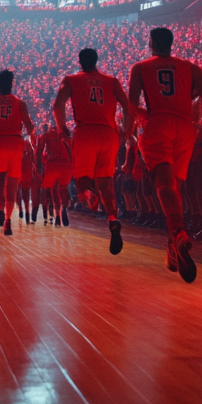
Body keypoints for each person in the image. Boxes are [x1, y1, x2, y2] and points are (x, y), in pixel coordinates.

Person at [126, 26, 202, 283]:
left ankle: (178, 233)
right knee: (174, 190)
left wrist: (138, 119)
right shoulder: (190, 67)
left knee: (163, 185)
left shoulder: (140, 67)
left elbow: (132, 104)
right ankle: (173, 248)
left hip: (159, 124)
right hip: (186, 128)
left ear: (152, 43)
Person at [53, 47, 130, 254]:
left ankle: (89, 197)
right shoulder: (111, 81)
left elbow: (58, 105)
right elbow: (127, 105)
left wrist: (61, 128)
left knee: (81, 181)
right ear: (97, 61)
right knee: (106, 181)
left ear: (80, 62)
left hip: (85, 132)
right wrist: (127, 129)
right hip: (108, 133)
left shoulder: (71, 80)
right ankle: (113, 217)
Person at [0, 69, 36, 237]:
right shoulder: (20, 103)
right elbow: (30, 128)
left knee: (0, 179)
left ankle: (1, 208)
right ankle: (8, 219)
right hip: (15, 142)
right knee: (12, 184)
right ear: (12, 83)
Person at [35, 122, 73, 226]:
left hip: (52, 165)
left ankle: (57, 215)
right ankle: (64, 207)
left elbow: (38, 152)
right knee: (64, 189)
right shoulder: (65, 136)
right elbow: (71, 150)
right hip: (65, 164)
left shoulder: (45, 136)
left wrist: (38, 166)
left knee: (54, 190)